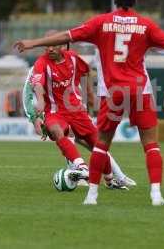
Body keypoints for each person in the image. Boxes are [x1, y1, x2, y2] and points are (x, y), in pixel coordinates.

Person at [14, 0, 164, 206]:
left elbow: (67, 35)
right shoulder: (146, 25)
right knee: (151, 144)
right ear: (135, 2)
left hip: (113, 93)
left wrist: (33, 43)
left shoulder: (101, 23)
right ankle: (156, 195)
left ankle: (92, 195)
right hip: (140, 91)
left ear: (114, 0)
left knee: (101, 144)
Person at [22, 30, 136, 189]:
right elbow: (38, 85)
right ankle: (81, 167)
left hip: (77, 112)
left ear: (63, 45)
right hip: (55, 112)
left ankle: (111, 180)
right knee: (57, 130)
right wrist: (40, 104)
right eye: (47, 46)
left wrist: (90, 96)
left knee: (99, 146)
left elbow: (87, 70)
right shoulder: (41, 63)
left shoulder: (73, 58)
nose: (50, 49)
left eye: (54, 45)